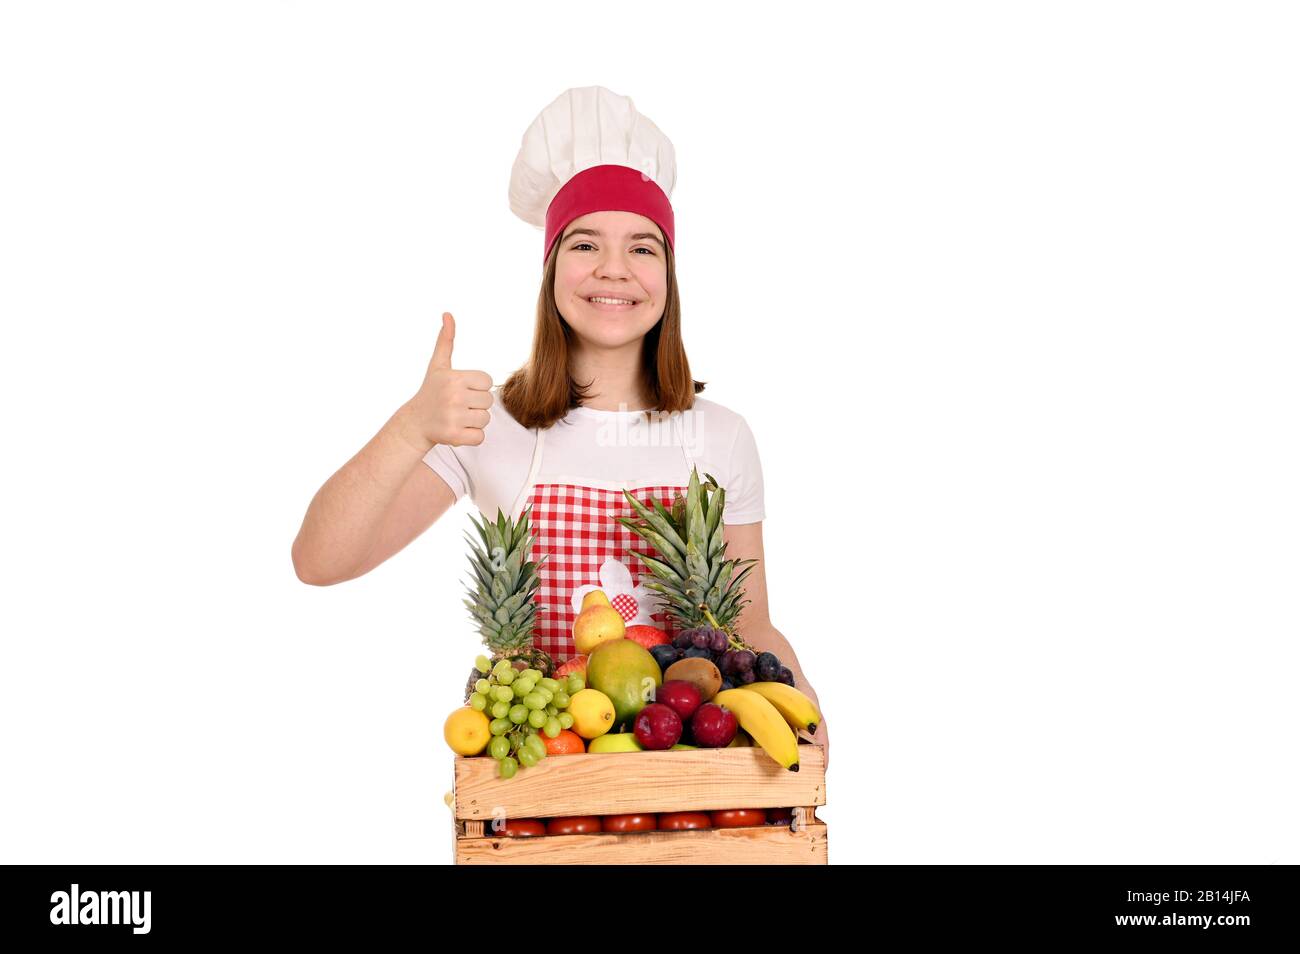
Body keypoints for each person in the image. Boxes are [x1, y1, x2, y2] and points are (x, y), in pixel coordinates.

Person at [292, 86, 828, 768]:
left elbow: (748, 624)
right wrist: (410, 429)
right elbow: (320, 561)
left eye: (643, 248)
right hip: (545, 774)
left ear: (668, 274)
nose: (614, 269)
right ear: (550, 270)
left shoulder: (721, 436)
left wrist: (801, 693)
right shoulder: (491, 427)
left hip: (692, 778)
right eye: (585, 244)